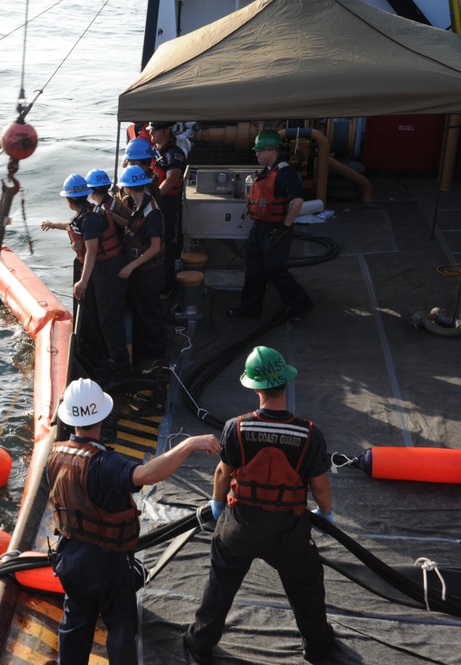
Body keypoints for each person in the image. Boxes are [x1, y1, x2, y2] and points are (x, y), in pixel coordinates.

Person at [47, 378, 221, 665]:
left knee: (75, 622)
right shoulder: (107, 464)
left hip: (70, 556)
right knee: (120, 624)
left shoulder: (55, 455)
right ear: (102, 415)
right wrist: (189, 444)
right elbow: (146, 474)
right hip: (108, 562)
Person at [184, 346, 336, 664]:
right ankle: (318, 645)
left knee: (221, 584)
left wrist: (216, 505)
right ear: (285, 383)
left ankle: (200, 642)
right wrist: (325, 512)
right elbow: (320, 486)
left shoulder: (236, 428)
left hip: (239, 524)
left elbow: (223, 472)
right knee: (307, 585)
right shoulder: (309, 434)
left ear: (254, 387)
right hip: (289, 531)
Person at [41, 174, 133, 389]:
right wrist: (53, 224)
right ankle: (109, 358)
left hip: (107, 271)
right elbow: (74, 225)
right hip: (104, 269)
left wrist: (82, 281)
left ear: (69, 200)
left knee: (109, 319)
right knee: (103, 317)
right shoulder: (89, 212)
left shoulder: (91, 219)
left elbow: (91, 251)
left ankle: (123, 369)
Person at [227, 129, 314, 321]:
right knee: (254, 268)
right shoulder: (267, 171)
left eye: (260, 150)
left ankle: (301, 305)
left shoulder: (285, 174)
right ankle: (250, 308)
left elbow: (297, 201)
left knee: (275, 269)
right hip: (260, 227)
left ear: (272, 150)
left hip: (275, 229)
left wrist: (284, 226)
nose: (256, 154)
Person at [117, 166, 166, 371]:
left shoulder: (151, 212)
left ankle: (156, 356)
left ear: (127, 188)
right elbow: (132, 226)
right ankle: (147, 351)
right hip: (142, 271)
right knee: (142, 311)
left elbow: (155, 247)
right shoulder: (141, 205)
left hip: (149, 272)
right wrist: (112, 217)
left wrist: (131, 266)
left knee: (150, 313)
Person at [147, 122, 187, 299]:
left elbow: (170, 180)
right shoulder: (154, 151)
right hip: (153, 202)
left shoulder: (174, 154)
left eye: (154, 130)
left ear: (166, 131)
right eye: (150, 130)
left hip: (167, 203)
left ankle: (167, 286)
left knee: (166, 245)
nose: (151, 134)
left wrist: (152, 198)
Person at [121, 138, 162, 203]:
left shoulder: (141, 185)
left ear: (136, 163)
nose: (126, 164)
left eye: (128, 161)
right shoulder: (151, 176)